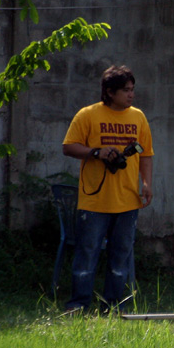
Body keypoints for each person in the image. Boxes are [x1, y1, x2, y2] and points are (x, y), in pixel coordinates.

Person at [61, 65, 154, 314]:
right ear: (110, 92)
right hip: (95, 201)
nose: (131, 95)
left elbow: (146, 155)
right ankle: (78, 305)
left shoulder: (138, 117)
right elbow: (68, 147)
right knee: (87, 255)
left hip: (128, 200)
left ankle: (113, 306)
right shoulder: (88, 115)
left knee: (120, 256)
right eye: (126, 90)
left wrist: (146, 183)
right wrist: (96, 153)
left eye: (133, 90)